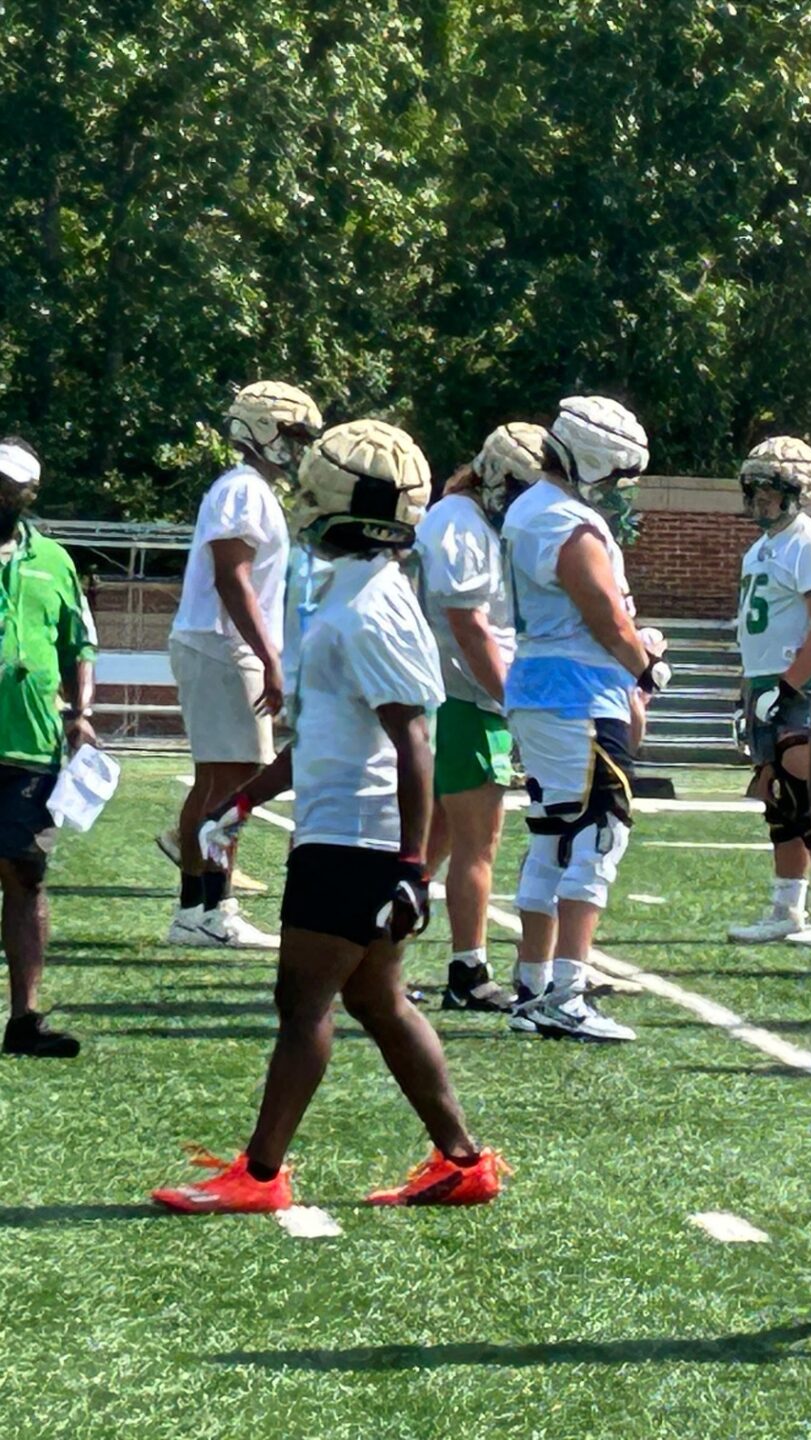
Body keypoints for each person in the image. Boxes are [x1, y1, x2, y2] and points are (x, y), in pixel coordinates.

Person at [151, 419, 506, 1211]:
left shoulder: (369, 605)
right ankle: (461, 1160)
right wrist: (246, 799)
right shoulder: (347, 593)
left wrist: (413, 866)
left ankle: (262, 1174)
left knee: (302, 1001)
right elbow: (321, 733)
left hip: (358, 838)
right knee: (377, 999)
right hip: (349, 828)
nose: (301, 500)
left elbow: (412, 736)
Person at [502, 396, 665, 1042]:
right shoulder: (565, 521)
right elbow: (604, 614)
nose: (623, 489)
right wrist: (643, 664)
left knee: (553, 835)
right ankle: (566, 992)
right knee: (598, 835)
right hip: (577, 695)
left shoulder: (530, 511)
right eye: (621, 473)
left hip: (544, 688)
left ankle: (533, 985)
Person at [165, 381, 321, 950]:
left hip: (218, 642)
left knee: (221, 781)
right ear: (263, 429)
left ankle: (195, 911)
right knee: (235, 783)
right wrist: (268, 655)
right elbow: (233, 578)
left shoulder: (248, 489)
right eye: (294, 434)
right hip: (223, 643)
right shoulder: (245, 490)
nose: (300, 447)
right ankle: (212, 909)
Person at [415, 425, 542, 1012]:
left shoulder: (468, 522)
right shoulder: (458, 523)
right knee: (477, 843)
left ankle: (378, 948)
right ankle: (468, 970)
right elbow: (468, 626)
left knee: (436, 841)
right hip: (461, 699)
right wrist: (511, 700)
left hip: (463, 698)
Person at [0, 439, 99, 1058]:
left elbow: (79, 643)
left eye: (12, 486)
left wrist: (82, 714)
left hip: (31, 745)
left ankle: (25, 1020)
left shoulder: (56, 561)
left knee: (25, 875)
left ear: (30, 494)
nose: (0, 494)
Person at [727, 436, 811, 945]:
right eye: (754, 490)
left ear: (795, 490)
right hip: (766, 683)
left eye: (769, 490)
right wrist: (746, 691)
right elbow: (756, 630)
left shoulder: (809, 543)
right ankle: (787, 908)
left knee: (807, 799)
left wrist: (787, 684)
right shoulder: (761, 548)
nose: (760, 501)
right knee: (778, 801)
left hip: (801, 685)